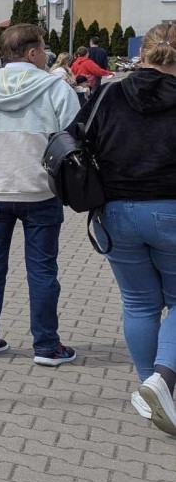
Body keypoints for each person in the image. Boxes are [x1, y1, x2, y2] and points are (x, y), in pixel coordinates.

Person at [0, 24, 79, 367]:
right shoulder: (56, 88)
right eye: (43, 48)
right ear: (32, 52)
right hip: (41, 192)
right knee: (42, 269)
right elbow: (76, 140)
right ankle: (47, 346)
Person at [74, 23, 176, 431]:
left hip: (114, 213)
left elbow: (73, 140)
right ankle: (162, 380)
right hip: (170, 209)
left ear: (143, 54)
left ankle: (151, 390)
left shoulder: (107, 93)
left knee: (139, 303)